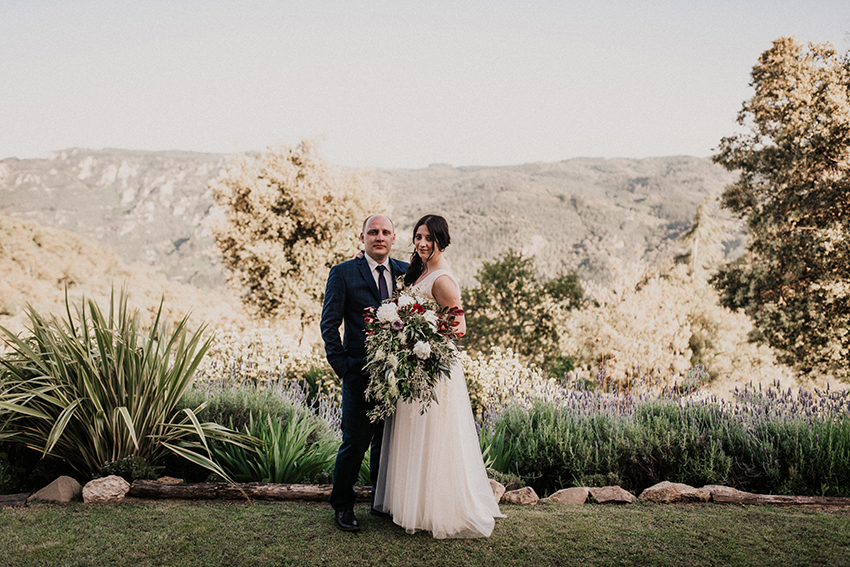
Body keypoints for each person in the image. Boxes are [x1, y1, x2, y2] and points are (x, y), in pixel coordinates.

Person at [373, 214, 505, 539]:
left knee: (432, 436)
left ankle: (437, 509)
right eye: (418, 236)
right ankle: (412, 505)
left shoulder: (442, 280)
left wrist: (424, 336)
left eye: (428, 238)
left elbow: (459, 327)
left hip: (434, 369)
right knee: (413, 434)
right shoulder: (419, 271)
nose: (421, 243)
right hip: (413, 367)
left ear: (440, 241)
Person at [320, 214, 409, 532]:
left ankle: (381, 502)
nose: (379, 237)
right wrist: (342, 367)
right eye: (373, 232)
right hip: (358, 373)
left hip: (398, 375)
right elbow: (329, 324)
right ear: (363, 238)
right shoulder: (343, 273)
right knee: (354, 442)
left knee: (387, 443)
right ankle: (342, 506)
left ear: (394, 238)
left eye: (385, 232)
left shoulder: (405, 273)